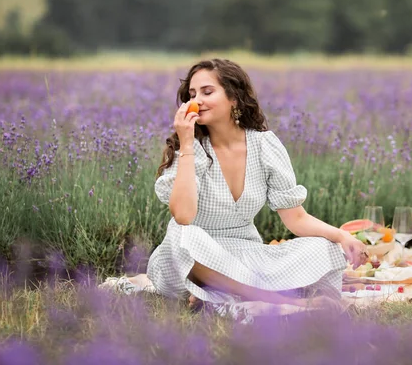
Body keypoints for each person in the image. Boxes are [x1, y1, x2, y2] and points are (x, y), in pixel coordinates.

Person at [147, 58, 368, 310]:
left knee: (323, 247)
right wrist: (186, 143)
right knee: (182, 235)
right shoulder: (189, 149)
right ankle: (273, 299)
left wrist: (341, 236)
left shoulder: (264, 145)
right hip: (192, 258)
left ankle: (218, 292)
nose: (197, 101)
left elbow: (295, 218)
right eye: (192, 94)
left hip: (246, 253)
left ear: (234, 98)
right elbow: (183, 216)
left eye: (208, 92)